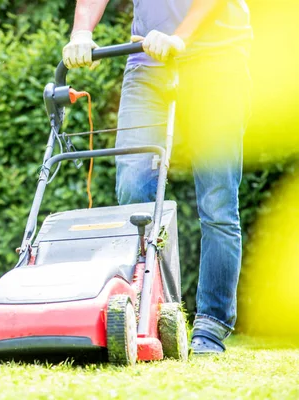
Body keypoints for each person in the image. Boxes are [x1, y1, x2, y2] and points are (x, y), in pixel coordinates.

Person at [63, 0, 252, 355]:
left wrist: (179, 37)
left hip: (218, 61)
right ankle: (154, 315)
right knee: (133, 190)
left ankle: (211, 327)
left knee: (217, 200)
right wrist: (82, 32)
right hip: (147, 63)